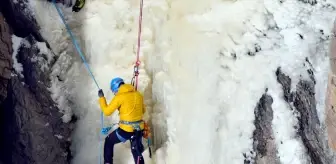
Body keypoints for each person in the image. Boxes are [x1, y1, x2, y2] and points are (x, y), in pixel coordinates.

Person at [98, 77, 146, 164]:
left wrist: (101, 98)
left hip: (126, 130)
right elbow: (143, 110)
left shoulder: (119, 97)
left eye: (114, 91)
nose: (115, 94)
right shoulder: (138, 94)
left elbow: (107, 112)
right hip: (139, 129)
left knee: (109, 141)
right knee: (136, 151)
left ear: (116, 88)